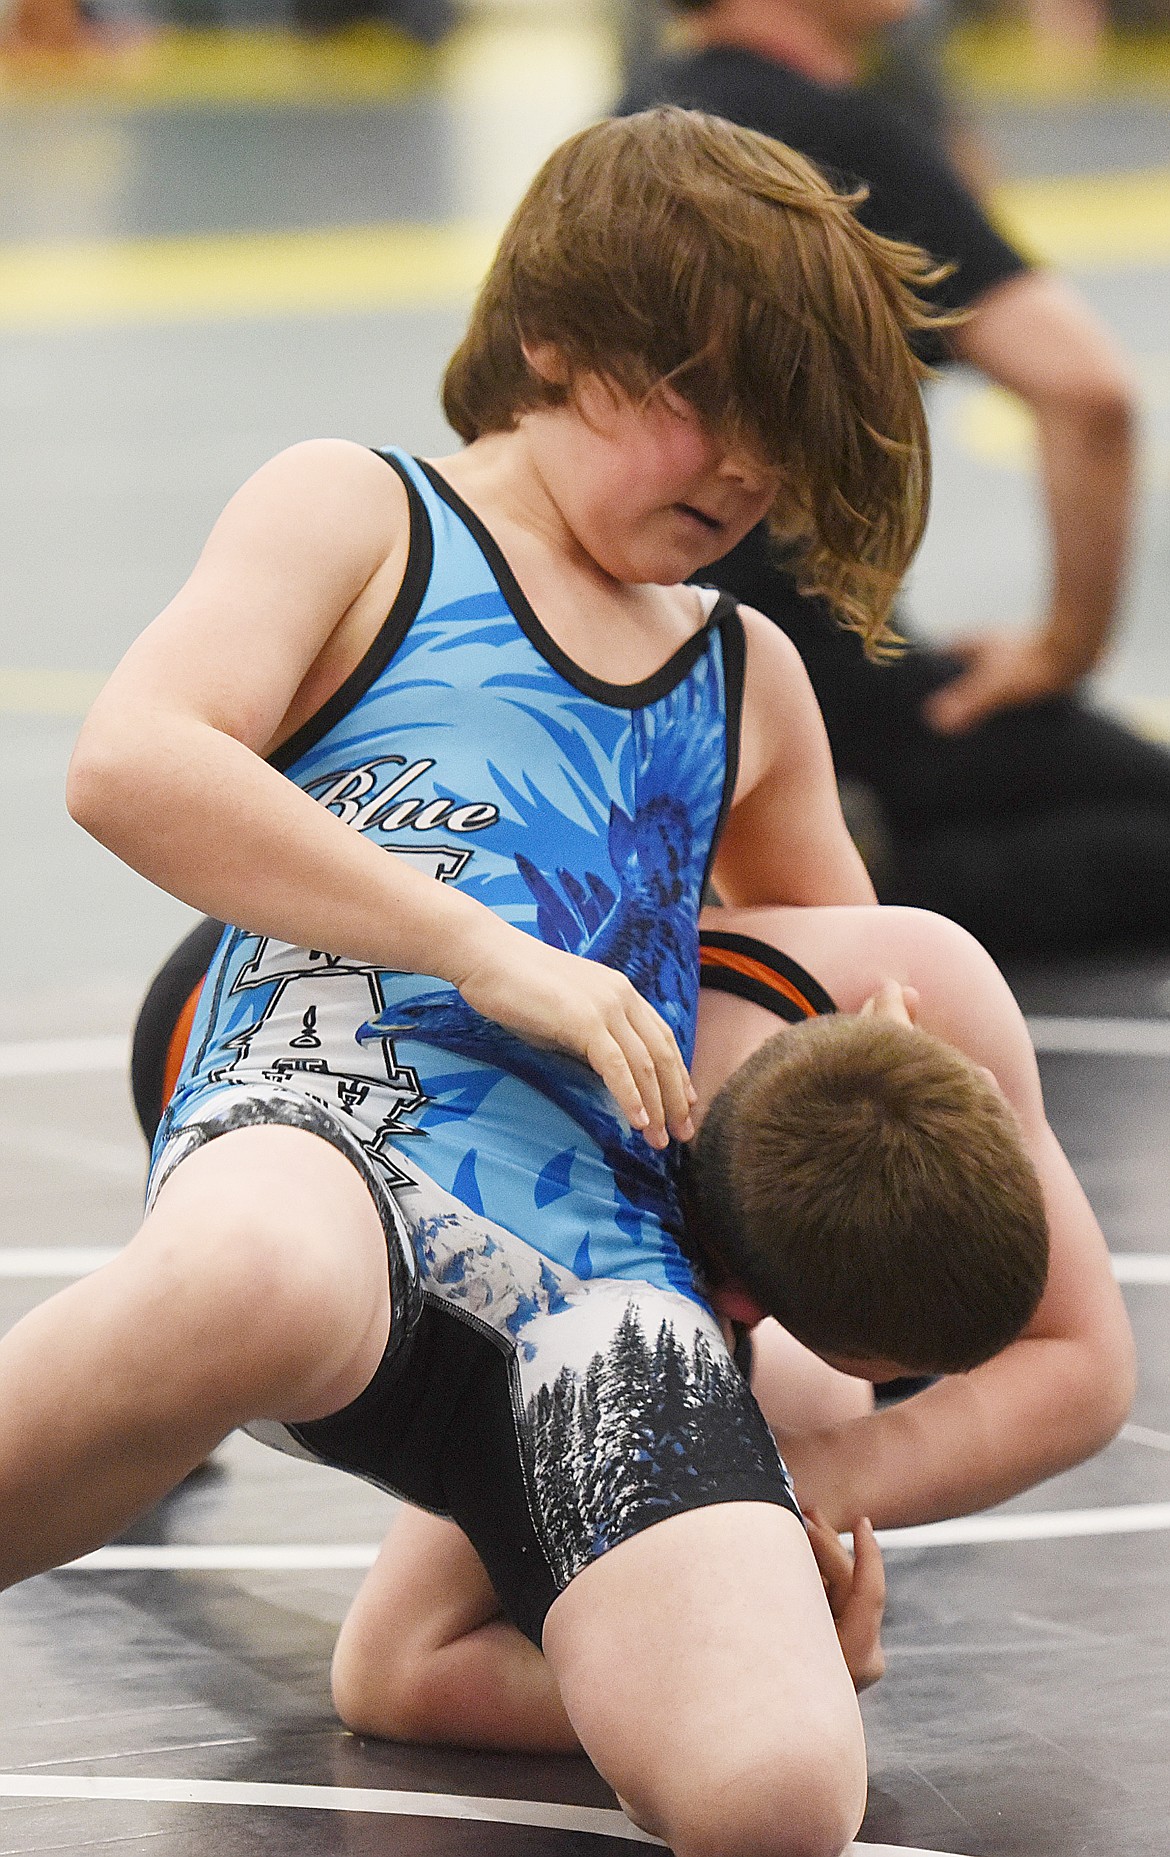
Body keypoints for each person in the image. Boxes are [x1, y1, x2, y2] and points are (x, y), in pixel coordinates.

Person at [0, 107, 954, 1857]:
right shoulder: (367, 512)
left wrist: (808, 1440)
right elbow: (132, 758)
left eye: (782, 441)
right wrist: (487, 951)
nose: (745, 472)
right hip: (337, 1099)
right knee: (254, 1271)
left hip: (603, 1266)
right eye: (709, 400)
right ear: (555, 337)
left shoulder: (746, 676)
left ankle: (472, 1638)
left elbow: (828, 1079)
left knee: (780, 1796)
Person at [301, 904, 1136, 1756]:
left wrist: (826, 1471)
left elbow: (1086, 1362)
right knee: (794, 1417)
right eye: (903, 1371)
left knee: (811, 1414)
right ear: (746, 1307)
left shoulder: (918, 978)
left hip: (375, 952)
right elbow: (391, 1669)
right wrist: (774, 1681)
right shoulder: (600, 1298)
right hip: (250, 1046)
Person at [619, 0, 1170, 959]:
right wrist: (1064, 648)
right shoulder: (833, 132)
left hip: (657, 665)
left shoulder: (643, 113)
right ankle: (836, 881)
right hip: (818, 674)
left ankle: (803, 854)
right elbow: (1090, 394)